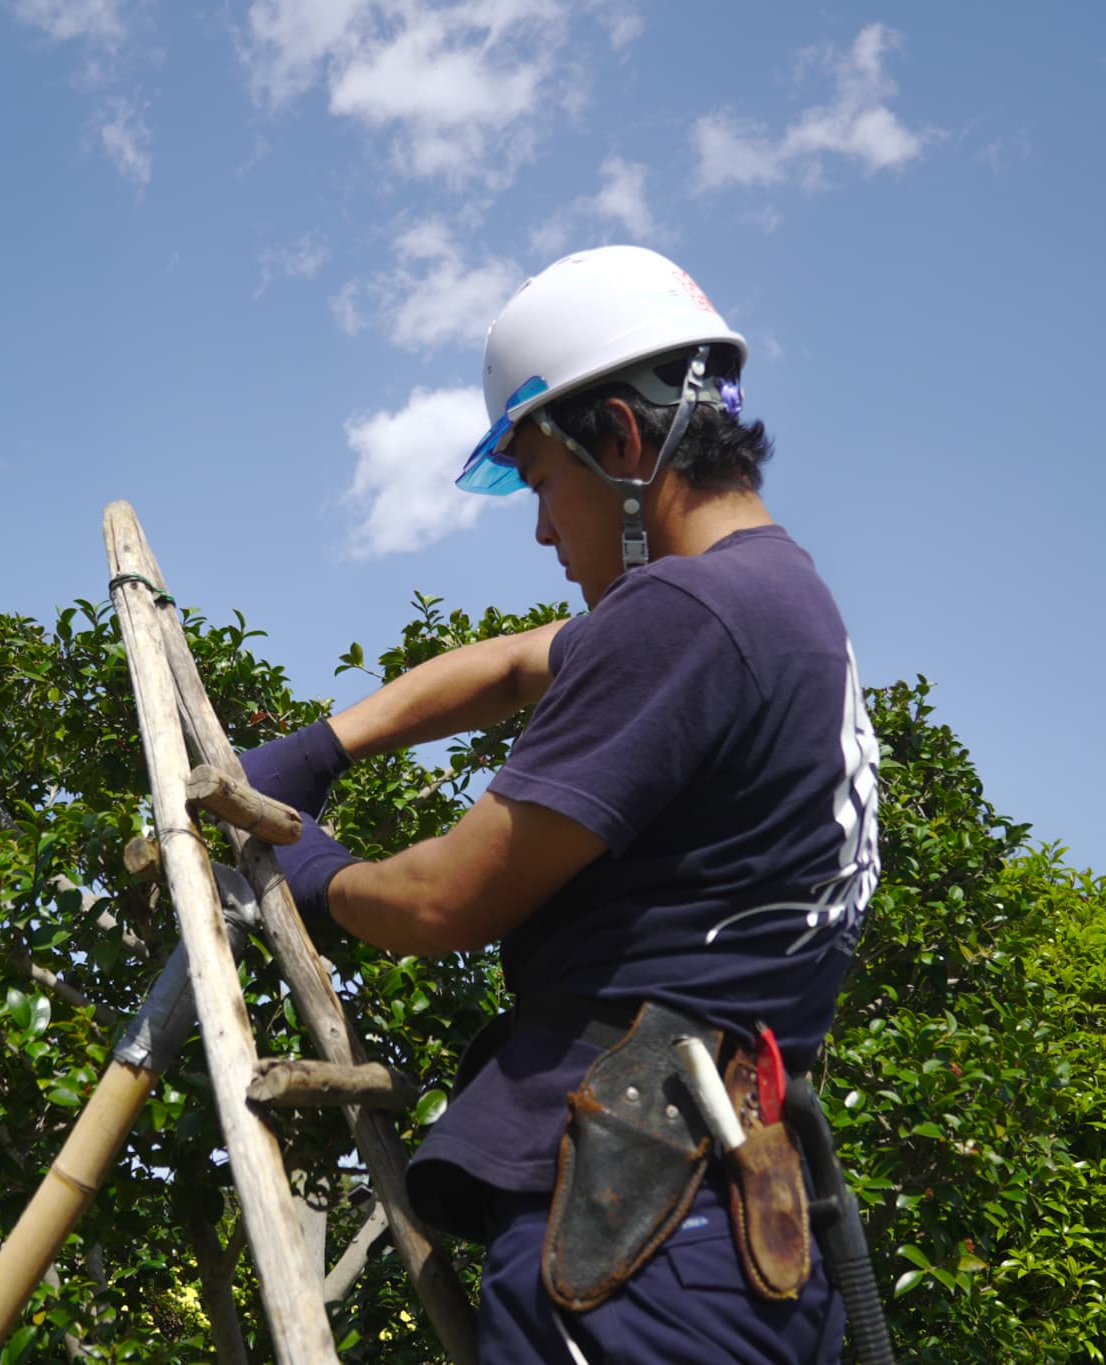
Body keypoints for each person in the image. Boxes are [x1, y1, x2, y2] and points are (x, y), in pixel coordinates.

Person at [242, 245, 878, 1364]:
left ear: (621, 443)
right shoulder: (777, 605)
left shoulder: (683, 612)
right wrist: (323, 745)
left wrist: (304, 864)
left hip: (634, 1248)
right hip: (726, 1224)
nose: (541, 533)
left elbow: (443, 902)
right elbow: (516, 666)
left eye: (541, 484)